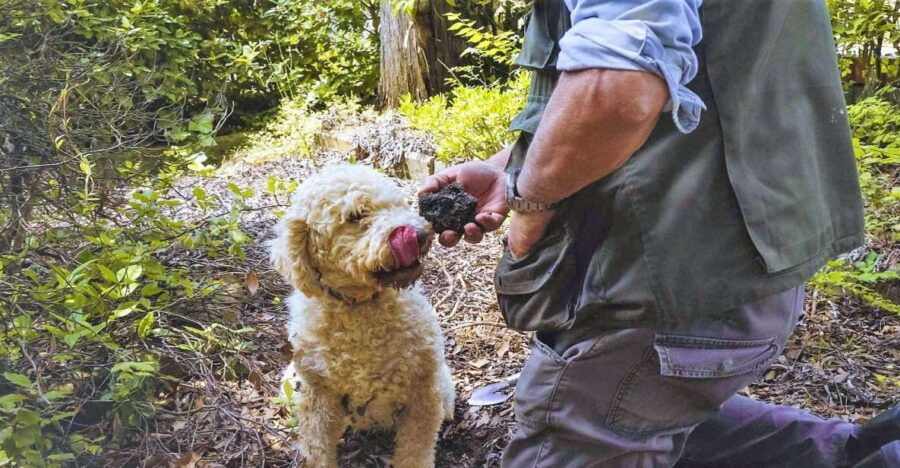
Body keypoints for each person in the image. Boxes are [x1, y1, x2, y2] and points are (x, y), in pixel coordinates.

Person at [418, 0, 900, 466]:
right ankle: (859, 455)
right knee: (642, 409)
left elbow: (618, 88)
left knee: (595, 415)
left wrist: (532, 202)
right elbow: (684, 80)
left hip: (669, 285)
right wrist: (510, 171)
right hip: (746, 266)